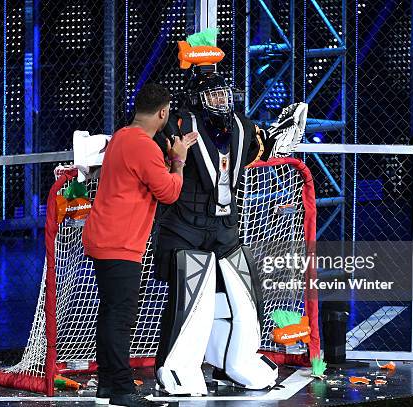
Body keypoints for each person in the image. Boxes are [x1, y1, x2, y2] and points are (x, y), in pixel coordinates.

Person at [151, 29, 317, 396]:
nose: (220, 99)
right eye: (212, 93)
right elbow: (143, 150)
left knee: (247, 295)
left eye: (223, 92)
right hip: (185, 229)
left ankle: (238, 360)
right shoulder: (176, 124)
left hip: (226, 227)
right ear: (197, 96)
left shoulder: (241, 125)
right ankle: (177, 369)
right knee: (192, 302)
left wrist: (283, 132)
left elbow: (264, 147)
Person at [83, 83, 198, 407]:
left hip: (106, 237)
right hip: (118, 242)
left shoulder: (123, 136)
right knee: (119, 317)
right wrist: (179, 161)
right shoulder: (143, 147)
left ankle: (108, 384)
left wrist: (171, 154)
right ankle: (121, 389)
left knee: (110, 314)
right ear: (163, 113)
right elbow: (169, 192)